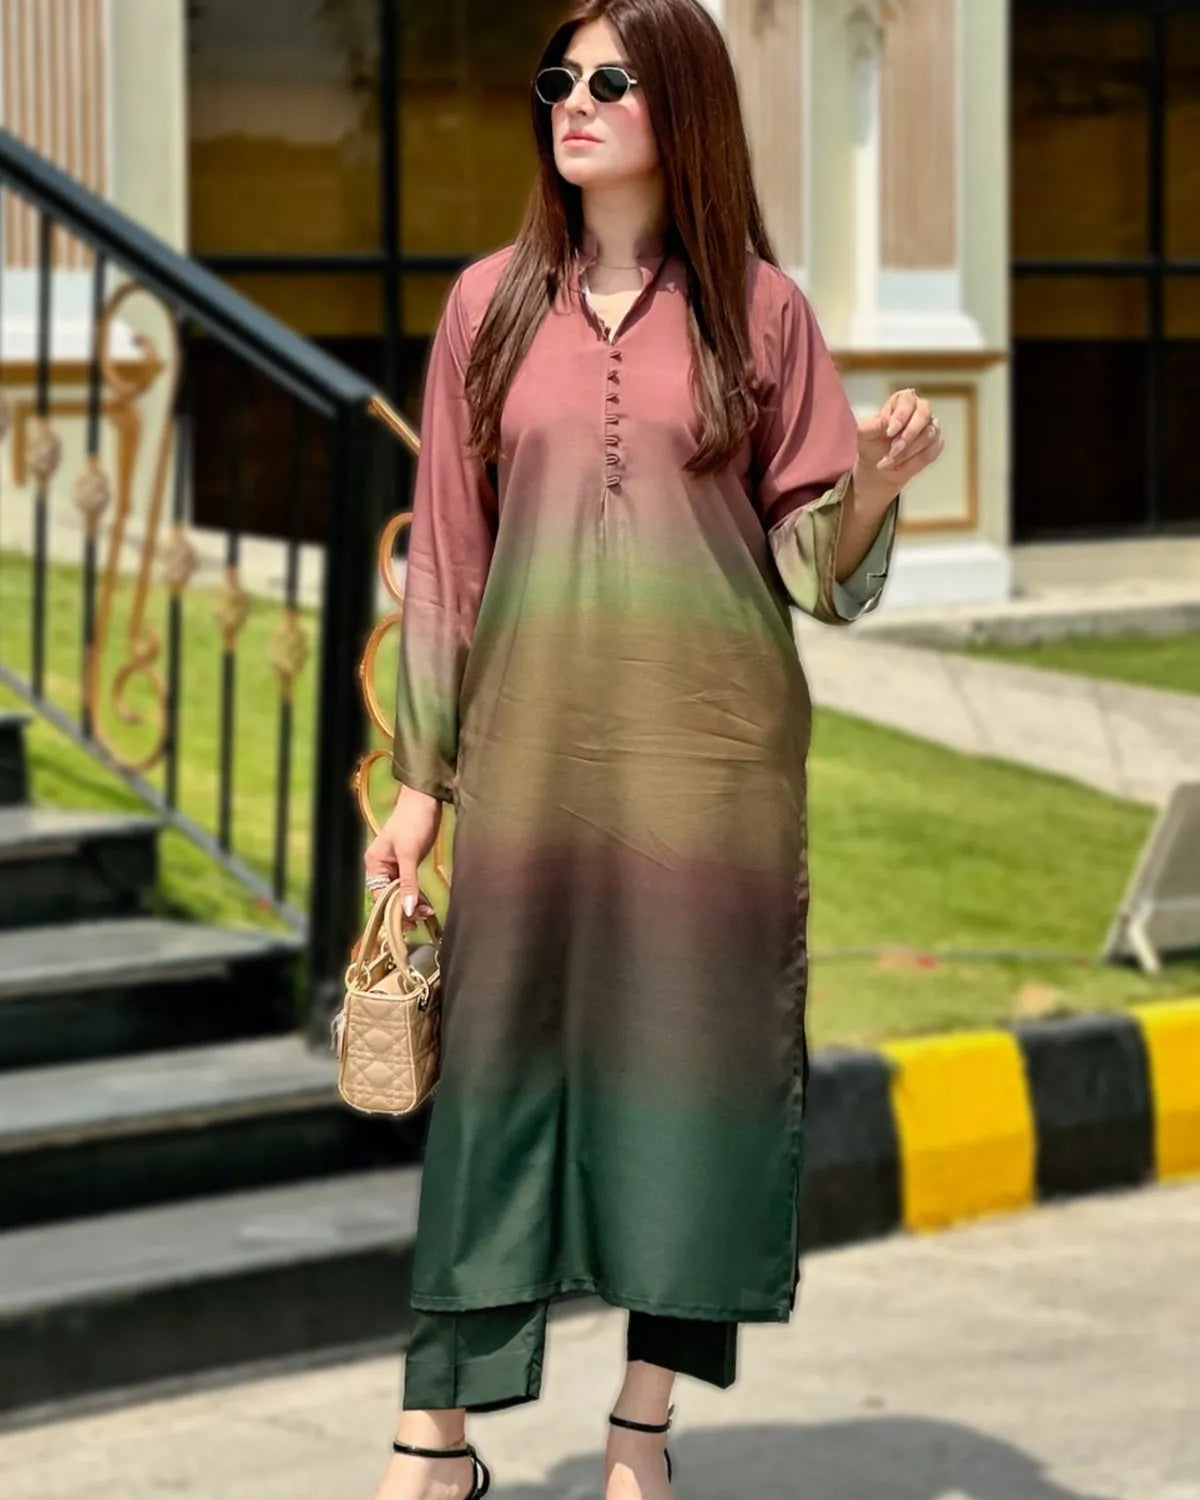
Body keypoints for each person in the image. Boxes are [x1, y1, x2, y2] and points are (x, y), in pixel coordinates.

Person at [363, 2, 944, 1496]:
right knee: (495, 1092)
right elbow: (449, 558)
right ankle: (435, 1440)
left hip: (711, 765)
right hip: (531, 763)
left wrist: (872, 489)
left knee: (698, 1090)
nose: (573, 100)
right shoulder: (489, 307)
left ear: (678, 106)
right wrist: (421, 785)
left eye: (609, 79)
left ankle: (642, 1431)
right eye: (558, 78)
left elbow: (814, 566)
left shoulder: (763, 311)